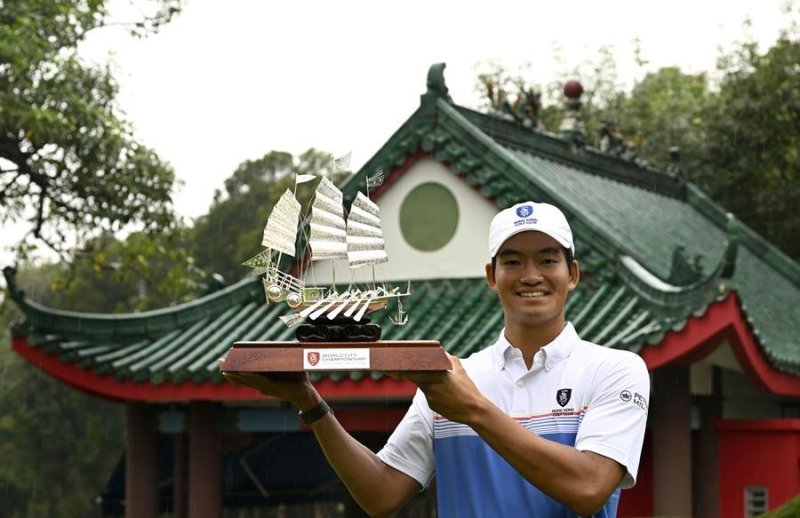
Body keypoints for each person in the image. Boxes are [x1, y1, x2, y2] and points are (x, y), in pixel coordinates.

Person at [223, 201, 650, 517]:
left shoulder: (615, 369)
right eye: (513, 261)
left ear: (572, 274)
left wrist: (473, 409)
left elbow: (589, 486)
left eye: (548, 260)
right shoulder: (453, 381)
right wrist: (310, 402)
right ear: (491, 276)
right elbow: (382, 493)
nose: (531, 275)